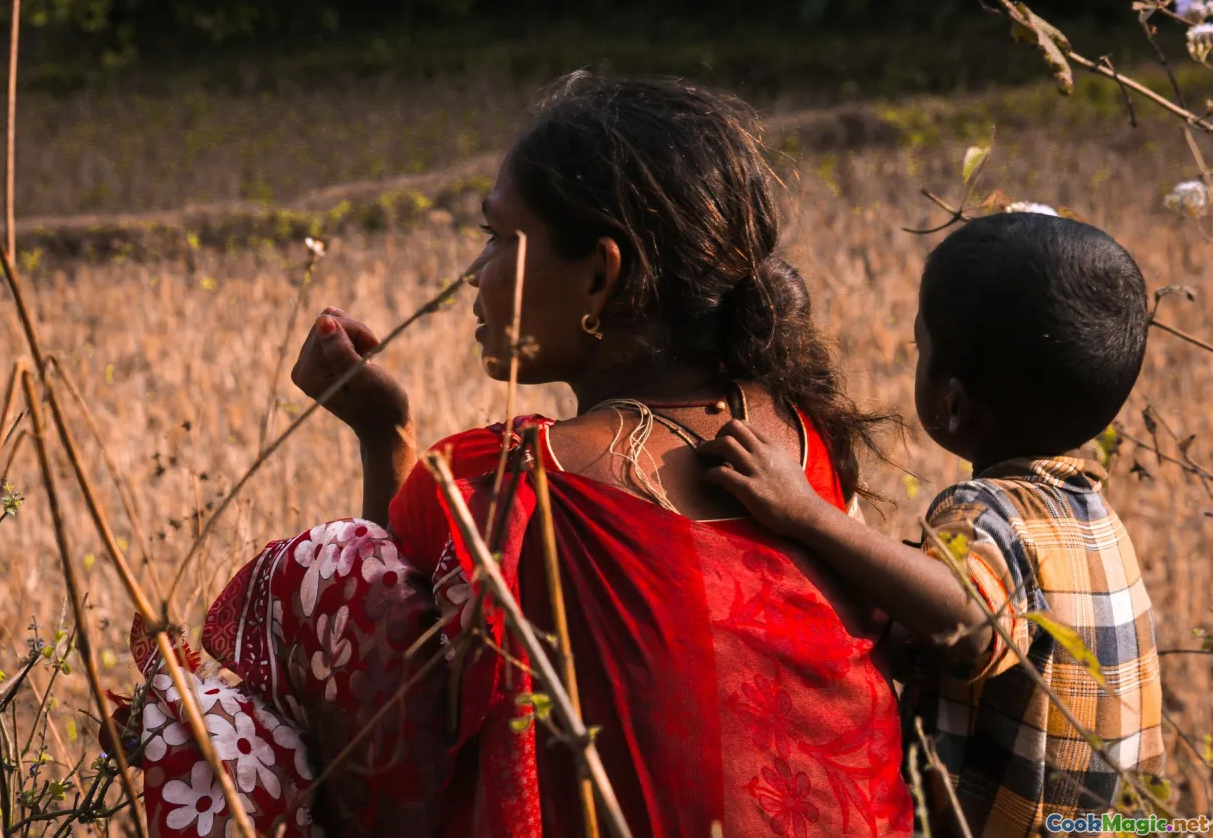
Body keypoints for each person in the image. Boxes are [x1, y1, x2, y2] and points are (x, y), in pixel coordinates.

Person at [106, 73, 913, 838]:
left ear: (599, 276)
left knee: (295, 613)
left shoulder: (507, 477)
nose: (473, 273)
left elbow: (382, 650)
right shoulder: (799, 437)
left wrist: (382, 433)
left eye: (497, 238)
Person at [697, 213, 1165, 837]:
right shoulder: (1096, 520)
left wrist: (807, 514)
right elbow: (952, 642)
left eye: (921, 348)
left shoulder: (986, 512)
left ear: (953, 404)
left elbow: (971, 624)